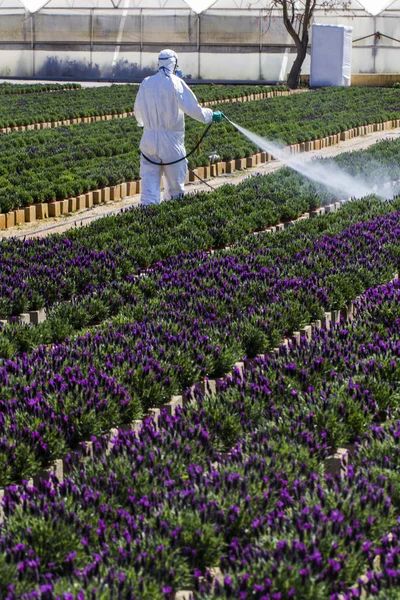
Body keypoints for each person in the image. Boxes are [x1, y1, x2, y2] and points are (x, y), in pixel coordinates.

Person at [134, 48, 222, 205]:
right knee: (175, 188)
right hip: (171, 143)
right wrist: (210, 116)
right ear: (174, 64)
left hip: (148, 141)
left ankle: (148, 219)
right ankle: (170, 220)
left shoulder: (146, 83)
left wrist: (145, 125)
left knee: (148, 189)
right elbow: (193, 109)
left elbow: (138, 112)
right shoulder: (175, 83)